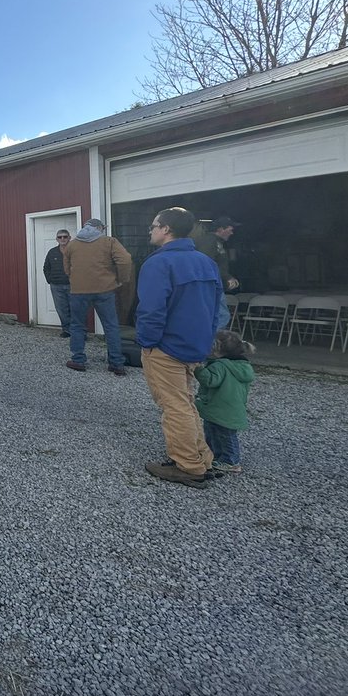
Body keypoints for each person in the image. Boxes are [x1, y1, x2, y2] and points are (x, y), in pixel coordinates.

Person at [136, 206, 225, 488]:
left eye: (153, 226)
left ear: (166, 230)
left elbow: (151, 310)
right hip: (195, 345)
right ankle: (203, 459)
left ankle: (187, 466)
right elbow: (216, 309)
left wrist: (148, 342)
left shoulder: (157, 264)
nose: (150, 231)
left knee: (174, 406)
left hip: (166, 347)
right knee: (186, 402)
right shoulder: (206, 262)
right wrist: (207, 337)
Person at [62, 218, 132, 375]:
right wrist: (121, 279)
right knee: (111, 326)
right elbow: (125, 260)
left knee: (77, 325)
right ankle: (116, 363)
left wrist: (75, 278)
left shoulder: (72, 244)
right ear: (100, 228)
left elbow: (66, 267)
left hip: (78, 291)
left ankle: (78, 360)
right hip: (104, 289)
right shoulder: (109, 241)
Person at [195, 330, 255, 474]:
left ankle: (230, 461)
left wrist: (198, 368)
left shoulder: (220, 366)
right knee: (223, 434)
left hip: (218, 407)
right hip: (231, 409)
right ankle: (217, 456)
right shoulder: (242, 366)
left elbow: (210, 380)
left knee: (221, 435)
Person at [193, 215, 240, 332]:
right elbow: (206, 263)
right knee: (222, 316)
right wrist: (227, 277)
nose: (232, 233)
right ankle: (211, 344)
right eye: (230, 229)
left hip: (210, 284)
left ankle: (207, 343)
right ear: (221, 229)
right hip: (208, 285)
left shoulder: (214, 241)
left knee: (213, 316)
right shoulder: (209, 241)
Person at [42, 229, 72, 337]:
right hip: (56, 286)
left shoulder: (75, 251)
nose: (62, 239)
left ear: (69, 238)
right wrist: (50, 280)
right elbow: (46, 268)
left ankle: (79, 332)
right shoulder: (52, 252)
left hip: (73, 285)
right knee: (61, 309)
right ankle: (67, 330)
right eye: (60, 237)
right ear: (56, 239)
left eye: (65, 236)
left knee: (76, 309)